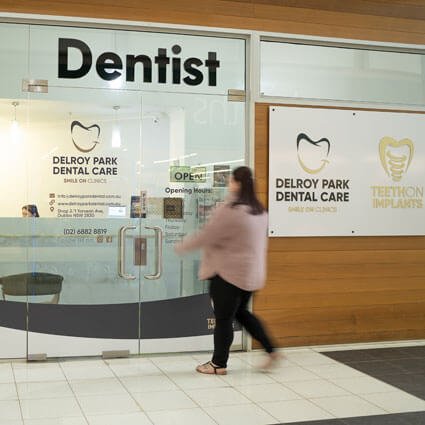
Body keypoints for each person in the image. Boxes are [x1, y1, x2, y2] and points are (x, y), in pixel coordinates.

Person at [174, 166, 278, 375]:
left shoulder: (231, 211)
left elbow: (207, 235)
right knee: (241, 313)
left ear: (236, 183)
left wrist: (182, 247)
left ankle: (218, 364)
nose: (229, 183)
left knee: (223, 319)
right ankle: (271, 349)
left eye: (231, 180)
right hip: (250, 274)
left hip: (228, 274)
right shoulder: (259, 212)